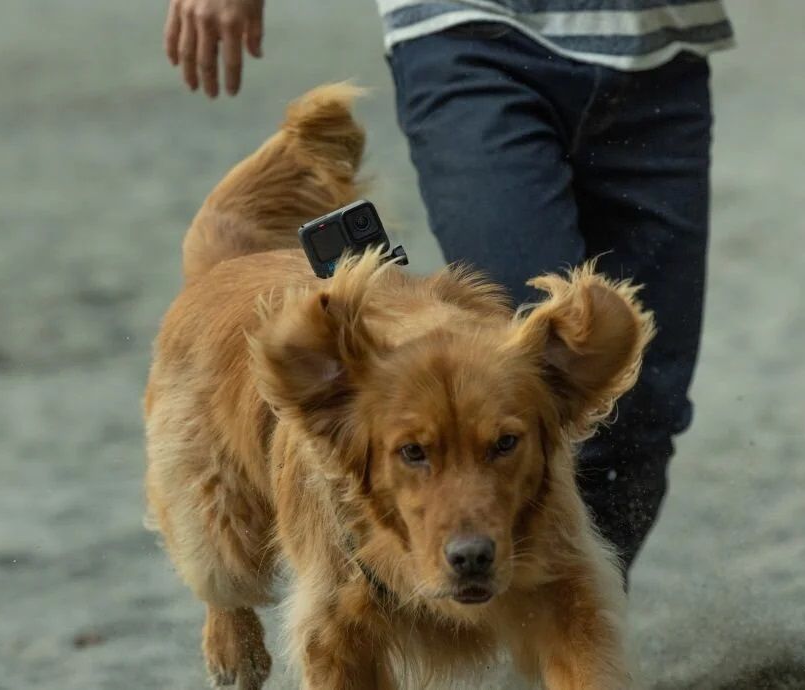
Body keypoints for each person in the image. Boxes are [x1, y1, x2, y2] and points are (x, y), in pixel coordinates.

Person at [162, 0, 733, 579]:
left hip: (664, 49)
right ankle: (441, 593)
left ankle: (563, 621)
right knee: (518, 378)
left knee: (640, 408)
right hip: (469, 34)